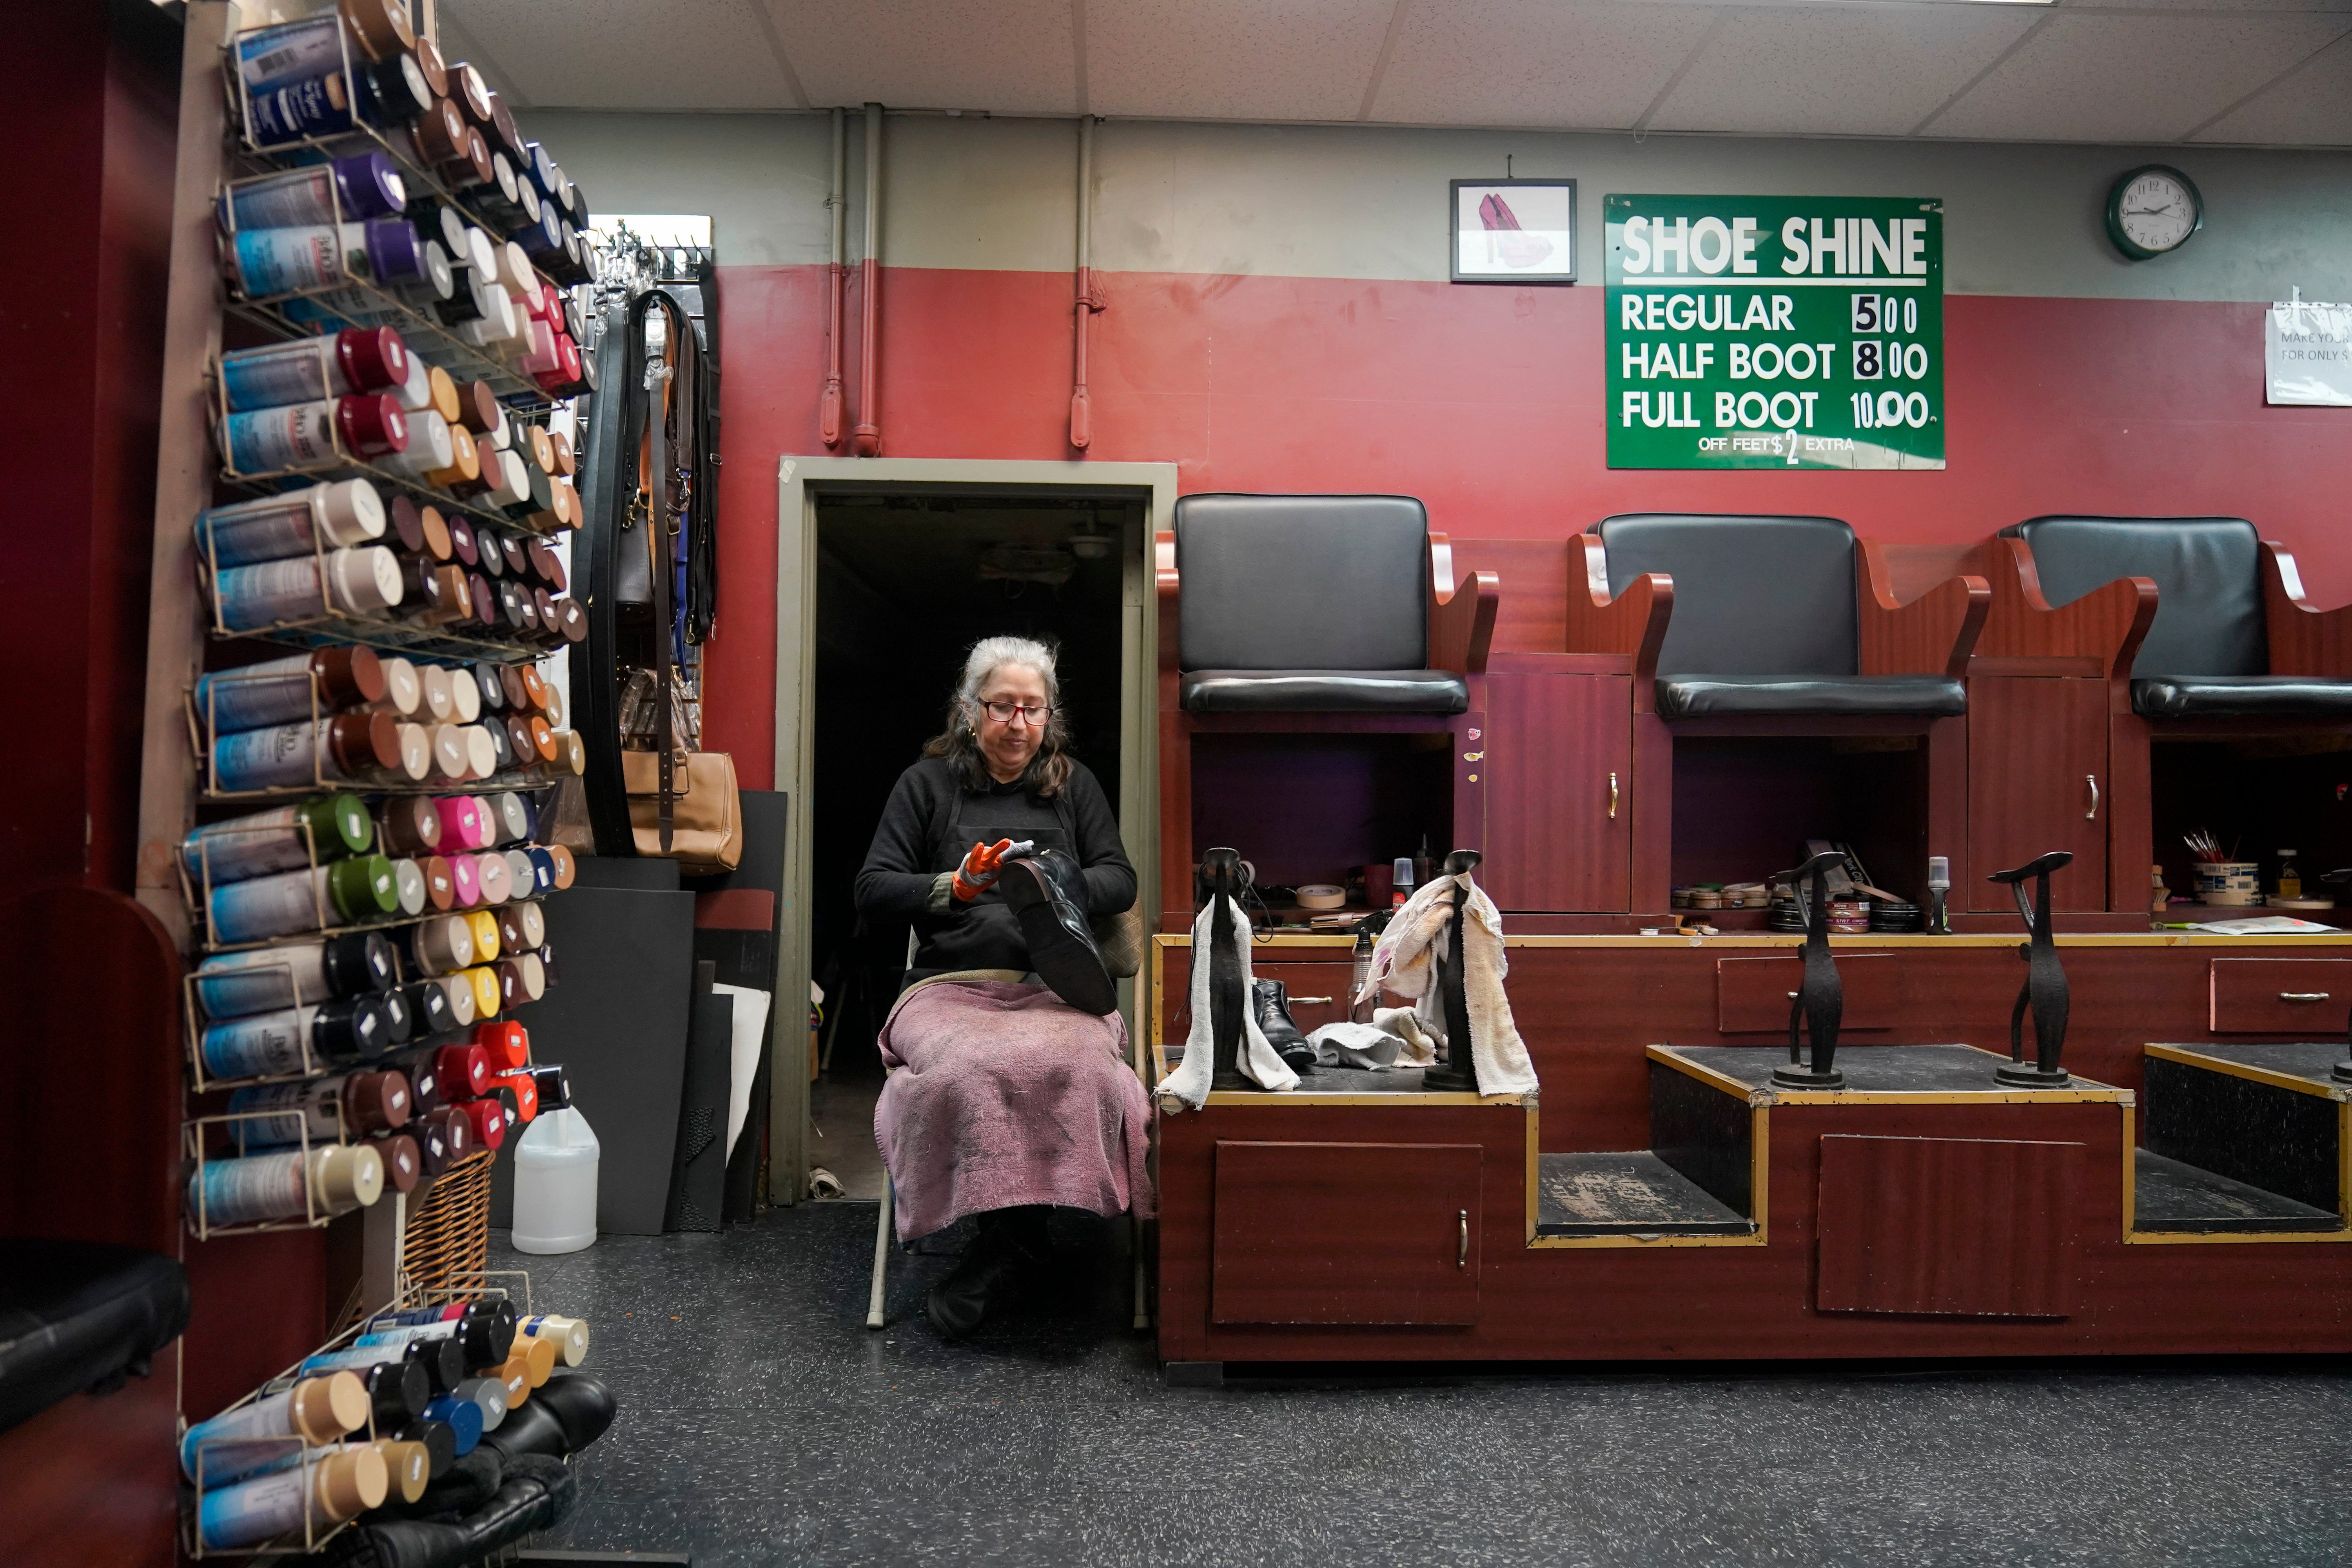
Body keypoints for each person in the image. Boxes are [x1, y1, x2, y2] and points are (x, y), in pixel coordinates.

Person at [854, 636, 1149, 1337]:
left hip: (1054, 984)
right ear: (969, 710)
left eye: (1033, 709)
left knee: (1083, 1067)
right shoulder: (924, 786)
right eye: (1002, 707)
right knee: (966, 1068)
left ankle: (1009, 1247)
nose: (1018, 724)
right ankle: (1020, 1242)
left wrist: (1057, 879)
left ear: (1051, 717)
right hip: (953, 984)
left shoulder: (1073, 785)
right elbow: (873, 887)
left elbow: (1121, 878)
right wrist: (954, 886)